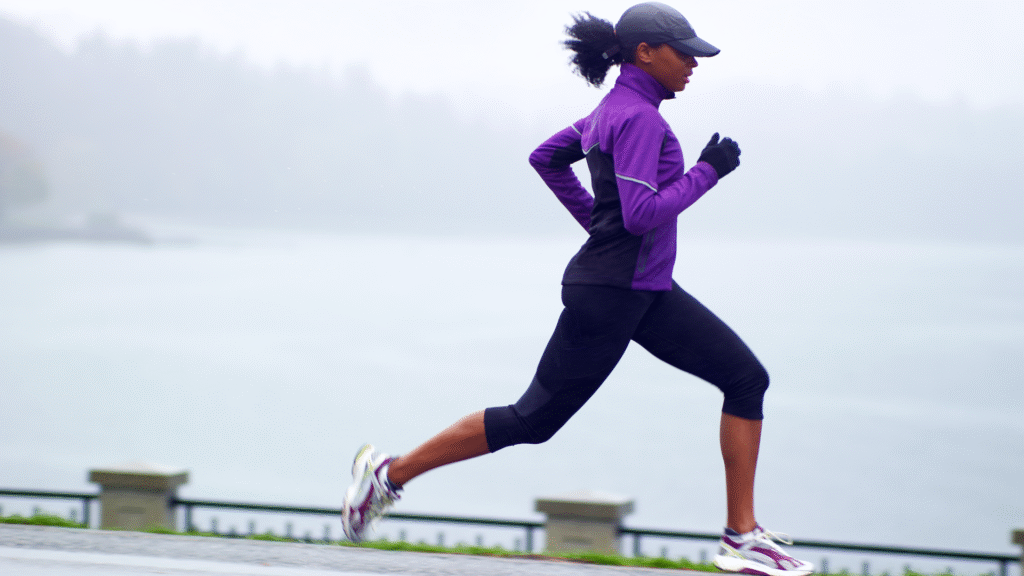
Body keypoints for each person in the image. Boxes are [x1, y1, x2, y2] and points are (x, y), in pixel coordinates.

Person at [341, 3, 813, 575]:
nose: (693, 62)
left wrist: (599, 224)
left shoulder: (609, 112)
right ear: (645, 53)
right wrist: (707, 172)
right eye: (682, 51)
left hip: (644, 289)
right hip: (613, 293)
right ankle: (388, 477)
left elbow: (548, 159)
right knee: (531, 420)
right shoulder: (639, 119)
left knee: (744, 378)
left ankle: (741, 537)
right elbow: (640, 214)